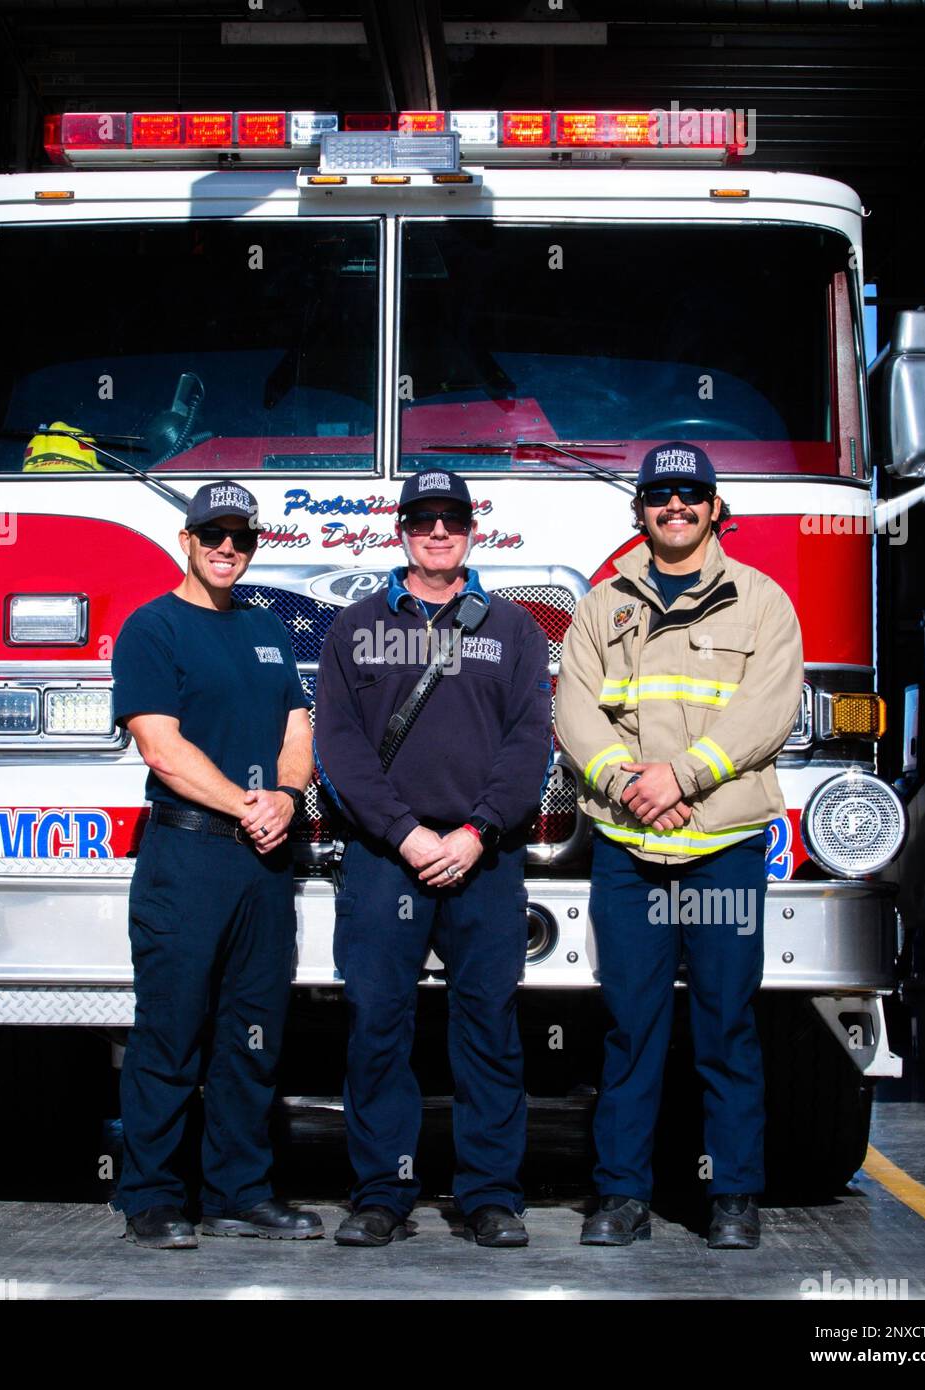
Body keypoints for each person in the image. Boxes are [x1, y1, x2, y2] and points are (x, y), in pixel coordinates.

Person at [555, 442, 803, 1250]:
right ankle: (620, 1196)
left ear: (712, 507)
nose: (674, 507)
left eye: (689, 495)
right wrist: (631, 783)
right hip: (628, 851)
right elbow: (573, 711)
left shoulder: (763, 602)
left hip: (722, 845)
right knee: (630, 1027)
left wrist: (684, 777)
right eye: (658, 495)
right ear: (639, 510)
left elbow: (766, 711)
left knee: (726, 1023)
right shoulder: (600, 606)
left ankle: (731, 1197)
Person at [314, 469, 552, 1248]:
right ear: (402, 533)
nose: (438, 532)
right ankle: (380, 1193)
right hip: (387, 857)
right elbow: (339, 749)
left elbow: (529, 742)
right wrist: (405, 833)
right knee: (378, 1022)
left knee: (486, 1026)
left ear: (472, 532)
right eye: (424, 520)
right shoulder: (353, 627)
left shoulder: (513, 630)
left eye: (452, 520)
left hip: (483, 858)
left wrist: (477, 830)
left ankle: (489, 1195)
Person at [109, 480, 322, 1247]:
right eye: (213, 536)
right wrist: (246, 803)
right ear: (188, 543)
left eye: (241, 537)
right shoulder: (152, 628)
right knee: (171, 1032)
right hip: (188, 853)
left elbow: (299, 725)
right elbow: (160, 746)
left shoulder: (265, 631)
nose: (227, 548)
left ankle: (241, 1190)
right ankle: (152, 1197)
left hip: (263, 864)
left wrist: (288, 796)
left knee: (251, 1034)